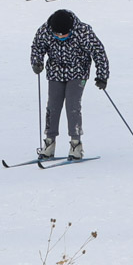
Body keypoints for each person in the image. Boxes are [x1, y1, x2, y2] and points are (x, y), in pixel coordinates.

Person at [30, 8, 109, 160]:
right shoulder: (45, 30)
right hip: (55, 72)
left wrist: (102, 76)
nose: (60, 37)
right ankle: (49, 143)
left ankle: (75, 145)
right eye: (57, 34)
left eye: (64, 34)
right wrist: (37, 62)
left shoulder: (82, 31)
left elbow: (98, 51)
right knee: (53, 106)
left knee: (72, 106)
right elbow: (37, 47)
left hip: (78, 72)